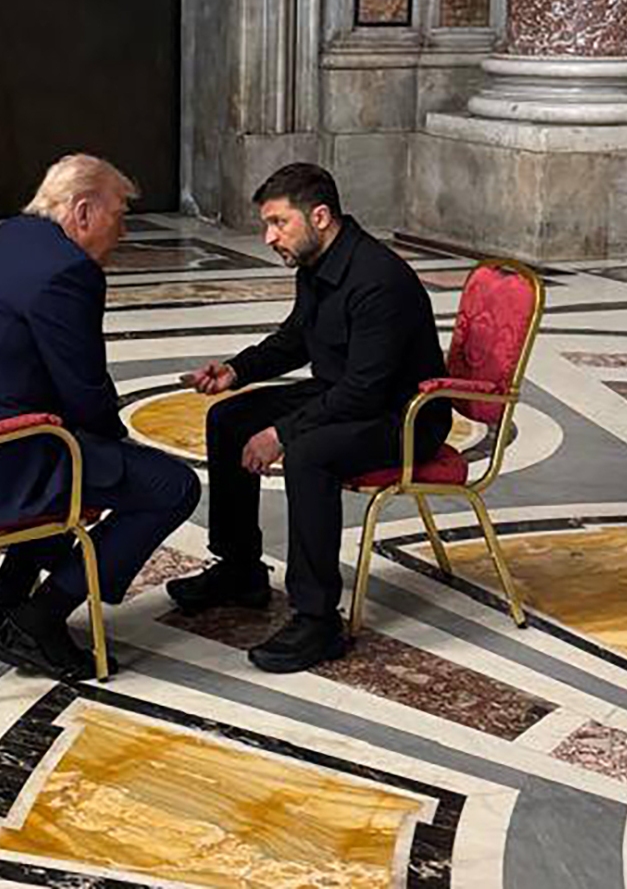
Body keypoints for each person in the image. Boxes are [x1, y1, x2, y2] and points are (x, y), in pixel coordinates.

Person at [0, 154, 201, 680]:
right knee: (170, 486)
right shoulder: (68, 271)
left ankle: (5, 597)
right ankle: (39, 618)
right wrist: (121, 455)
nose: (123, 230)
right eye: (120, 215)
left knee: (80, 453)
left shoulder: (7, 240)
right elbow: (86, 390)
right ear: (83, 211)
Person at [167, 163, 449, 672]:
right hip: (346, 394)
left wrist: (281, 433)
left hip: (403, 416)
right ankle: (239, 570)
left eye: (279, 223)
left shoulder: (378, 281)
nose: (269, 236)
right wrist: (237, 370)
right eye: (268, 225)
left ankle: (318, 619)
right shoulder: (318, 263)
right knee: (228, 420)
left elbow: (366, 392)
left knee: (310, 454)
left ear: (319, 216)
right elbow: (297, 337)